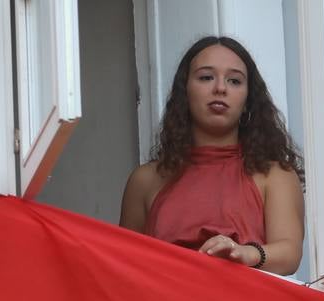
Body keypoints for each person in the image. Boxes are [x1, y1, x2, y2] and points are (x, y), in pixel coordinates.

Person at [120, 36, 304, 275]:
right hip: (165, 298)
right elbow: (124, 266)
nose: (220, 88)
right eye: (206, 77)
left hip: (241, 298)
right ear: (184, 93)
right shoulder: (145, 181)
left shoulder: (275, 175)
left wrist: (244, 253)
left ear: (248, 101)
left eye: (234, 81)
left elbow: (289, 254)